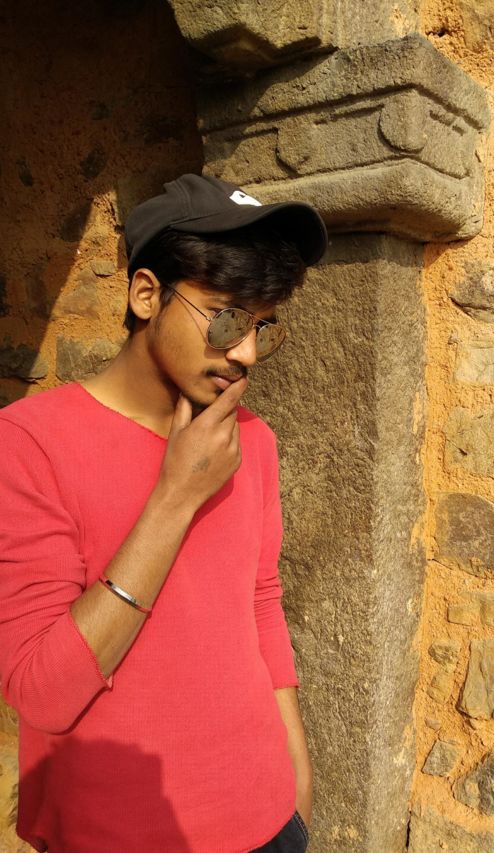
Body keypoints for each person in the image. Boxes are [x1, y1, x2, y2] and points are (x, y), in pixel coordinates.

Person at [0, 174, 328, 852]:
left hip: (268, 816)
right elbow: (42, 693)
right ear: (146, 294)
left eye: (262, 327)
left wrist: (294, 765)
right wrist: (175, 497)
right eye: (227, 318)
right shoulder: (28, 444)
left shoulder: (252, 441)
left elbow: (260, 601)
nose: (244, 353)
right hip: (112, 831)